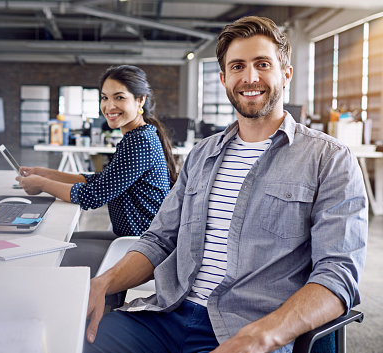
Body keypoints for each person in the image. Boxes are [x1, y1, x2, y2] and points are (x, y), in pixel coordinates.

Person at [84, 16, 368, 353]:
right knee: (77, 341)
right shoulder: (202, 154)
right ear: (224, 78)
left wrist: (264, 336)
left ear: (285, 74)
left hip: (248, 328)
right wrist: (103, 283)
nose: (250, 77)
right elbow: (160, 239)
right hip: (167, 314)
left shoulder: (329, 159)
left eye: (263, 64)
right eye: (237, 67)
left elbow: (337, 275)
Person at [17, 65, 177, 277]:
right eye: (104, 98)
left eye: (119, 97)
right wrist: (47, 173)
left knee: (49, 255)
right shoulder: (138, 136)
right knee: (61, 242)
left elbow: (93, 196)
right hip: (129, 239)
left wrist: (42, 184)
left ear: (140, 100)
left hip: (140, 248)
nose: (109, 106)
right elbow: (102, 181)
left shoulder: (140, 141)